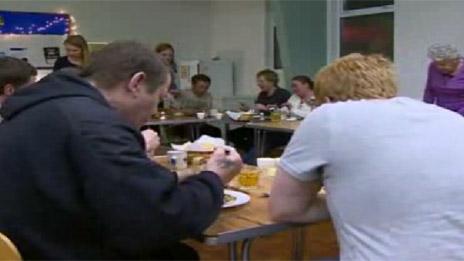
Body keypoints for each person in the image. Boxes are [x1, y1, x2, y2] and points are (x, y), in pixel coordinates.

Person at [0, 41, 243, 259]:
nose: (152, 112)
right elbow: (164, 219)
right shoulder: (94, 124)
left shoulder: (44, 108)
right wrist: (214, 178)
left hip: (31, 244)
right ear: (136, 83)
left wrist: (177, 177)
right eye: (157, 99)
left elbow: (89, 181)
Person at [270, 53, 464, 260]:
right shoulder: (451, 119)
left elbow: (285, 210)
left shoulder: (328, 117)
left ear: (327, 99)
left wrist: (350, 199)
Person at [423, 44, 464, 115]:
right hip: (441, 110)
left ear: (455, 61)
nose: (439, 67)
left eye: (443, 64)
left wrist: (459, 115)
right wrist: (425, 109)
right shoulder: (433, 67)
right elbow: (429, 90)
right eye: (437, 64)